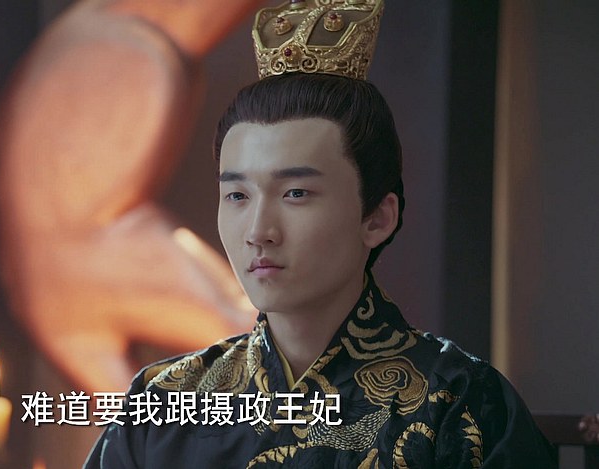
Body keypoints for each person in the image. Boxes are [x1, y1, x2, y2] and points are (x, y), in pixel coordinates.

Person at [84, 0, 556, 467]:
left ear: (377, 218)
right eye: (238, 195)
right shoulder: (163, 403)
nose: (258, 232)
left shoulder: (460, 403)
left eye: (296, 193)